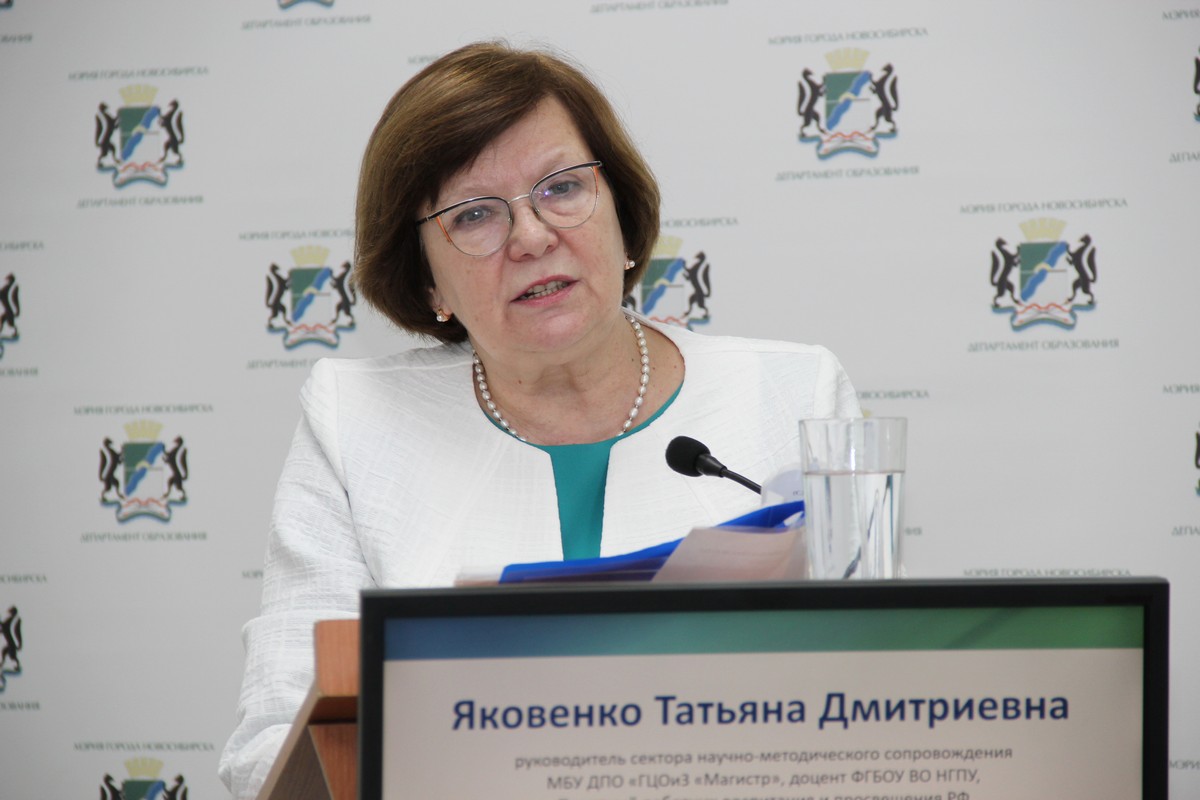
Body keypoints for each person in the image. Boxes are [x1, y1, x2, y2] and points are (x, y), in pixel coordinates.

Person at [219, 41, 860, 798]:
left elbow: (876, 686)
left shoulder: (793, 395)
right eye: (474, 215)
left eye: (561, 188)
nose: (531, 236)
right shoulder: (355, 421)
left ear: (621, 216)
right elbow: (274, 744)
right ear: (429, 282)